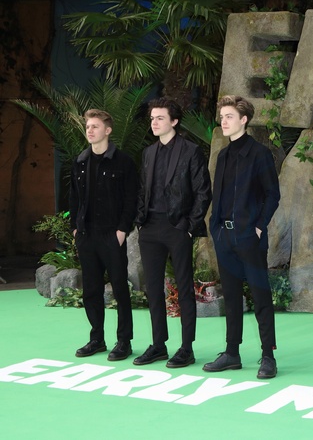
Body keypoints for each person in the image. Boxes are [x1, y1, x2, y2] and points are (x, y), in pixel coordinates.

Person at [203, 95, 280, 379]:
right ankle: (232, 353)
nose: (223, 121)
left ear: (244, 120)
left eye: (229, 117)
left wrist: (258, 227)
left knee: (261, 297)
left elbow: (273, 195)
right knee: (232, 298)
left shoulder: (260, 154)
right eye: (222, 116)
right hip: (224, 238)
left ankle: (268, 356)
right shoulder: (223, 156)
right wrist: (215, 228)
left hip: (250, 238)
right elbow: (219, 197)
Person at [134, 98, 211, 368]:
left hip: (178, 227)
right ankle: (158, 345)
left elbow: (203, 191)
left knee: (184, 287)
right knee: (153, 288)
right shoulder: (148, 153)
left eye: (160, 118)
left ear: (174, 121)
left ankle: (187, 348)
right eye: (152, 118)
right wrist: (140, 222)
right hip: (150, 228)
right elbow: (142, 190)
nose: (154, 123)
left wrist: (189, 227)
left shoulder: (191, 151)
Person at [70, 109, 138, 361]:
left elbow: (132, 198)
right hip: (86, 236)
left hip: (112, 235)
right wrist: (75, 228)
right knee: (91, 290)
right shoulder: (80, 161)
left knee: (120, 288)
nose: (90, 130)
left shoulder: (124, 162)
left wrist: (122, 230)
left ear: (107, 130)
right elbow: (73, 197)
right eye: (88, 126)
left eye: (95, 126)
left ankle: (124, 341)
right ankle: (96, 339)